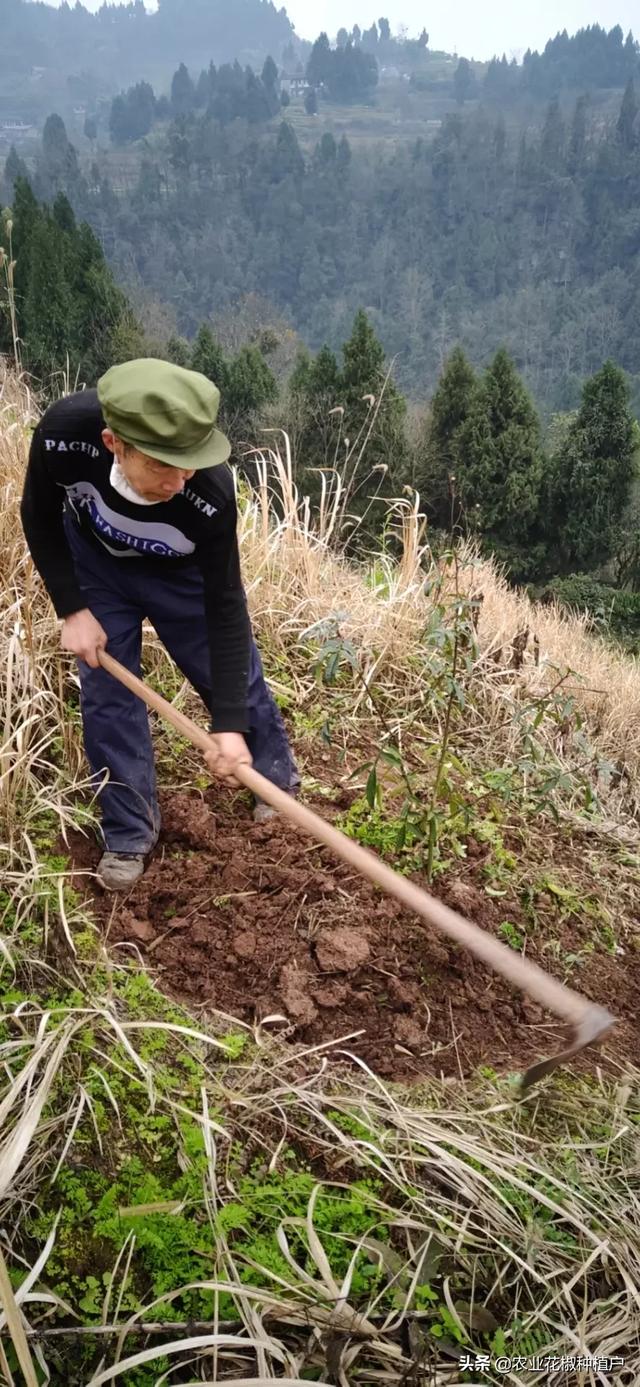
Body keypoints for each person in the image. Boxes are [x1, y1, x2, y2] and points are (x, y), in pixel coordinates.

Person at [21, 358, 298, 890]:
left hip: (182, 579)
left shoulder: (209, 494)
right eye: (161, 466)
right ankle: (128, 832)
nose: (177, 481)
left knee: (229, 680)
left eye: (188, 465)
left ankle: (272, 778)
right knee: (107, 695)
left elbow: (225, 606)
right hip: (98, 569)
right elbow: (37, 512)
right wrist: (72, 609)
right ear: (113, 443)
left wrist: (229, 724)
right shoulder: (63, 435)